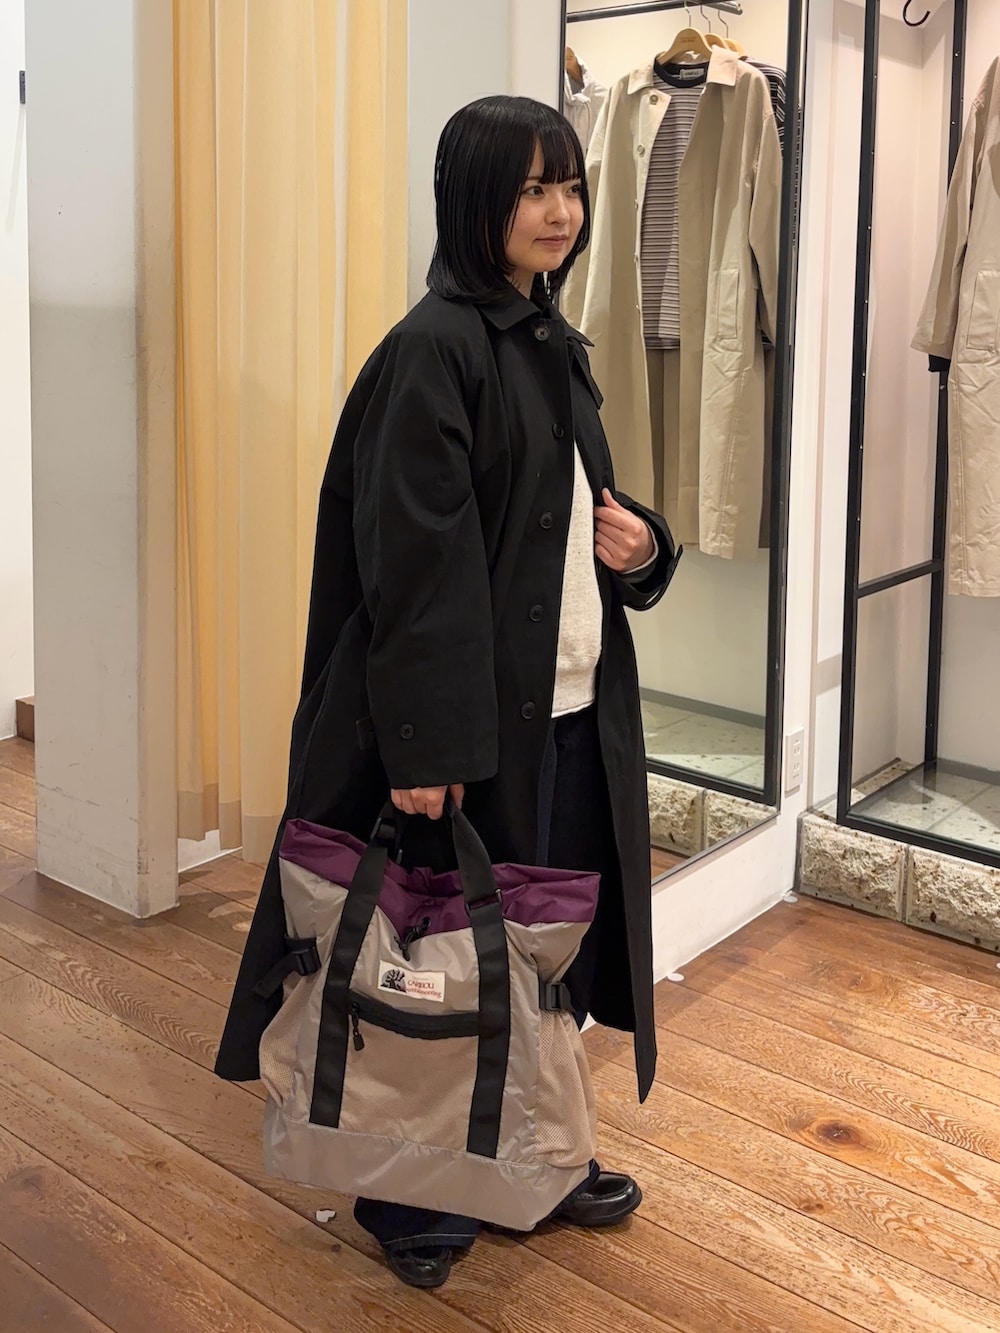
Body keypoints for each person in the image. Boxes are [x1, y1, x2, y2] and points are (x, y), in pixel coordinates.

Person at [214, 94, 681, 1290]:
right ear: (473, 200)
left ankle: (532, 1151)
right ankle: (402, 1180)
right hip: (467, 733)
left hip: (564, 709)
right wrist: (425, 747)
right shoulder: (435, 348)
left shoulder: (546, 335)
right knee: (421, 956)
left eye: (570, 186)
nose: (559, 211)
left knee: (531, 955)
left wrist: (644, 547)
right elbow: (413, 570)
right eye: (531, 189)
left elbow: (557, 521)